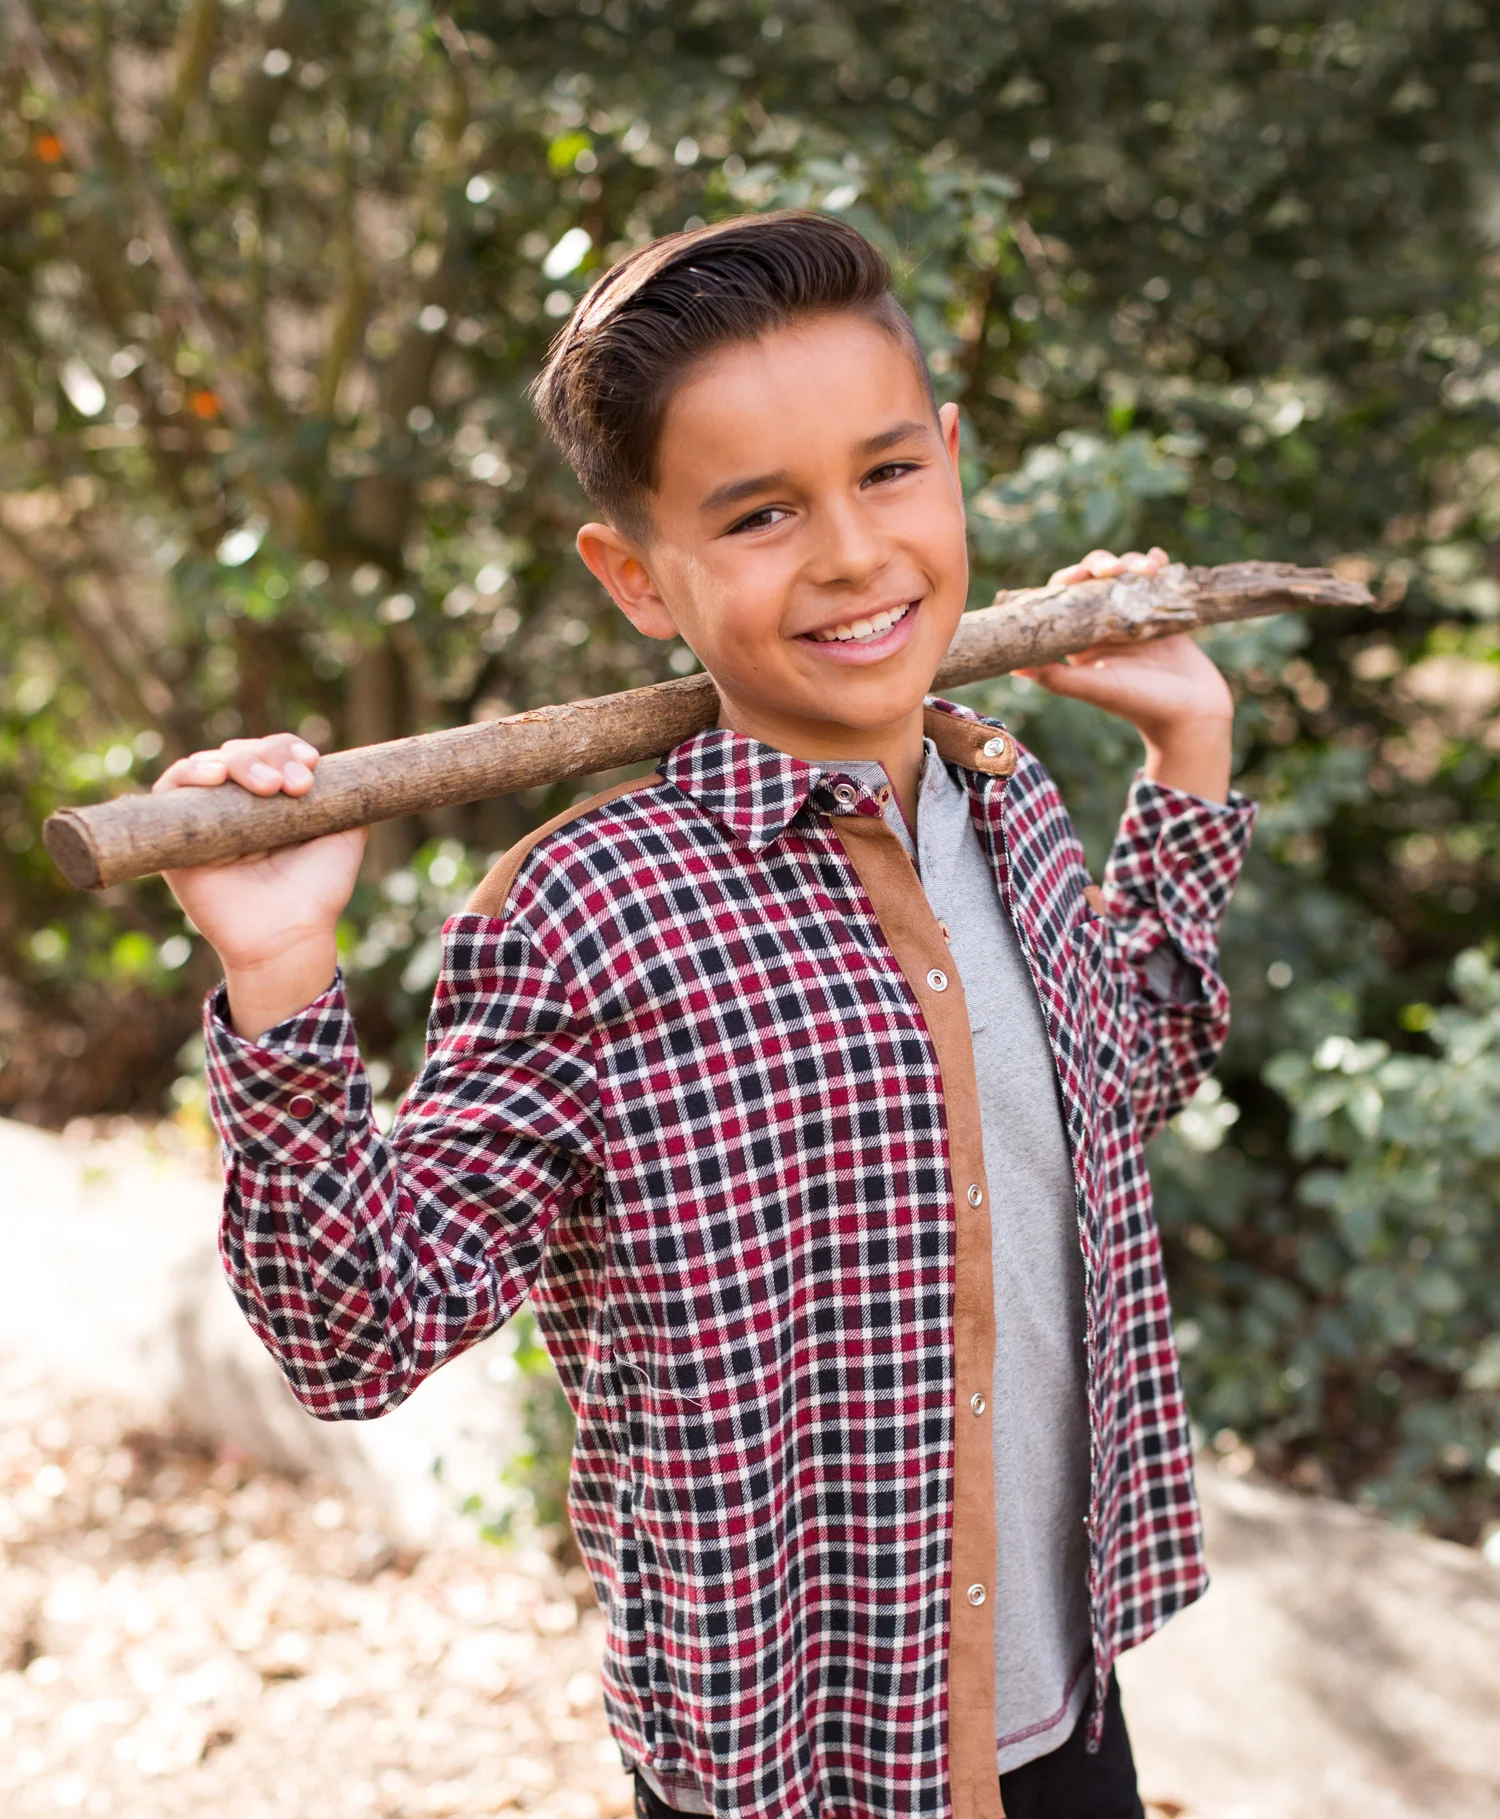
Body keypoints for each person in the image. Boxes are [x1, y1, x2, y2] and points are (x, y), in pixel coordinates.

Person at [157, 211, 1254, 1819]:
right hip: (792, 1772)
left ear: (951, 461)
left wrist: (1191, 762)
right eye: (756, 514)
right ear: (635, 576)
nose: (852, 555)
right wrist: (278, 974)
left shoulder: (1009, 810)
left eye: (888, 473)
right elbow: (356, 1333)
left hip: (1068, 1727)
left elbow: (1119, 1073)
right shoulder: (591, 915)